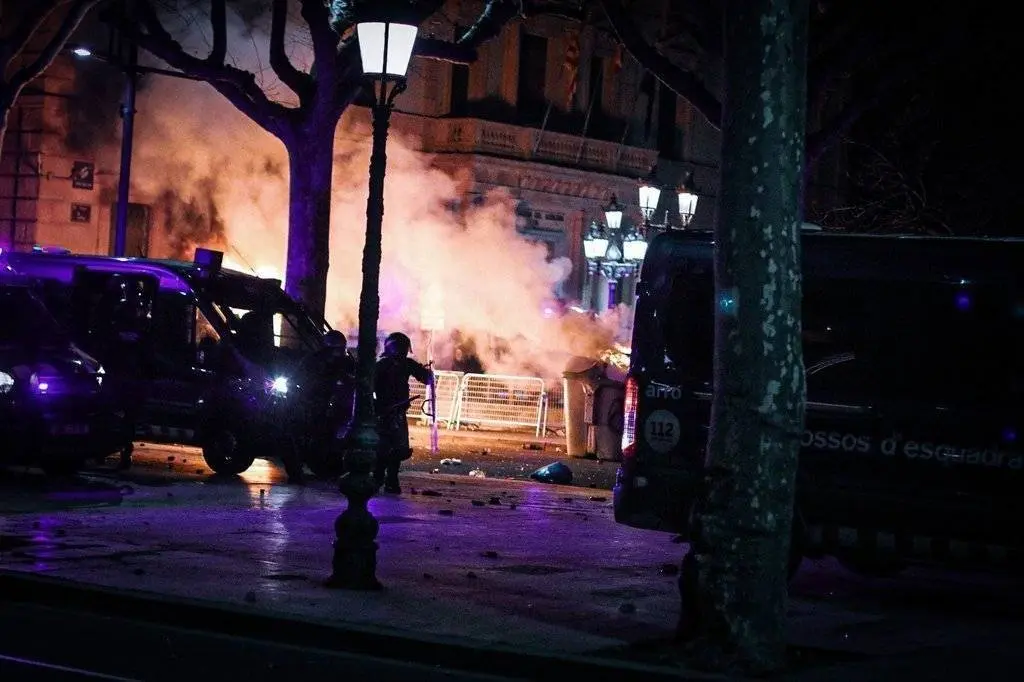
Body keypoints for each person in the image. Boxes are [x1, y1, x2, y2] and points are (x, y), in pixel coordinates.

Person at [374, 331, 432, 494]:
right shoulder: (382, 366)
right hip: (383, 413)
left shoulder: (407, 364)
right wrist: (376, 406)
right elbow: (370, 386)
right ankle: (378, 477)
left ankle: (391, 479)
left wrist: (428, 373)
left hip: (398, 413)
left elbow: (426, 379)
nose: (403, 351)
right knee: (382, 448)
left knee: (398, 449)